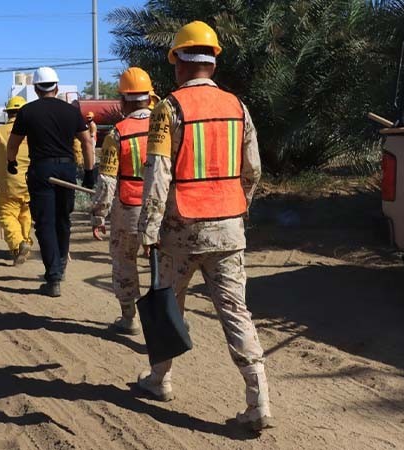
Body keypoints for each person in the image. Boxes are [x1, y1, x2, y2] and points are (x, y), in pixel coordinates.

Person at [135, 21, 271, 432]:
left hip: (181, 231)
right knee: (236, 313)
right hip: (228, 229)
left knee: (166, 306)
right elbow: (254, 170)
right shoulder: (238, 107)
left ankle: (160, 380)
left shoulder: (168, 108)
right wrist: (237, 208)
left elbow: (157, 173)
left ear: (178, 62)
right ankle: (259, 400)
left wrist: (148, 229)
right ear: (212, 63)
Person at [7, 66, 95, 297]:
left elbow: (14, 143)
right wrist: (89, 171)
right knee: (62, 220)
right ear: (56, 87)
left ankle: (53, 277)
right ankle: (61, 267)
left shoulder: (27, 112)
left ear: (36, 88)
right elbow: (87, 142)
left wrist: (11, 162)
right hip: (66, 170)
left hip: (42, 171)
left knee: (45, 224)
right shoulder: (71, 111)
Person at [90, 67, 157, 335]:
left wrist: (99, 214)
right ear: (149, 98)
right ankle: (170, 318)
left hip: (129, 209)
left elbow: (107, 180)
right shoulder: (167, 127)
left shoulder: (119, 133)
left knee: (124, 261)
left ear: (124, 100)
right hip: (164, 209)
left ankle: (130, 318)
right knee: (164, 266)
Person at [0, 96, 33, 265]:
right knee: (25, 215)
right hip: (32, 183)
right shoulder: (34, 132)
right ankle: (25, 245)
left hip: (9, 184)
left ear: (8, 113)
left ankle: (18, 244)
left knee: (6, 215)